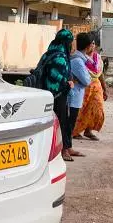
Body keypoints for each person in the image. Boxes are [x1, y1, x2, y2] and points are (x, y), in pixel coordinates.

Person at [37, 29, 75, 160]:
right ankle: (63, 150)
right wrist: (67, 82)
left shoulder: (49, 53)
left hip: (46, 94)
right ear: (67, 42)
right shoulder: (60, 56)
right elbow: (55, 74)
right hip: (57, 94)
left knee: (52, 123)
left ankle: (64, 148)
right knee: (61, 122)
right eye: (71, 42)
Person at [74, 31, 108, 141]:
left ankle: (88, 130)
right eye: (90, 44)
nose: (92, 46)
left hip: (96, 86)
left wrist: (104, 89)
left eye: (94, 44)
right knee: (81, 109)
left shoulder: (97, 58)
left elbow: (100, 74)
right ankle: (75, 131)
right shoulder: (79, 58)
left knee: (97, 108)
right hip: (84, 86)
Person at [66, 32, 95, 161]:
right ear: (89, 46)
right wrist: (87, 76)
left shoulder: (79, 59)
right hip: (73, 97)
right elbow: (87, 81)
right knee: (69, 124)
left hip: (76, 96)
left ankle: (68, 147)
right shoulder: (78, 61)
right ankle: (66, 148)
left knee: (71, 124)